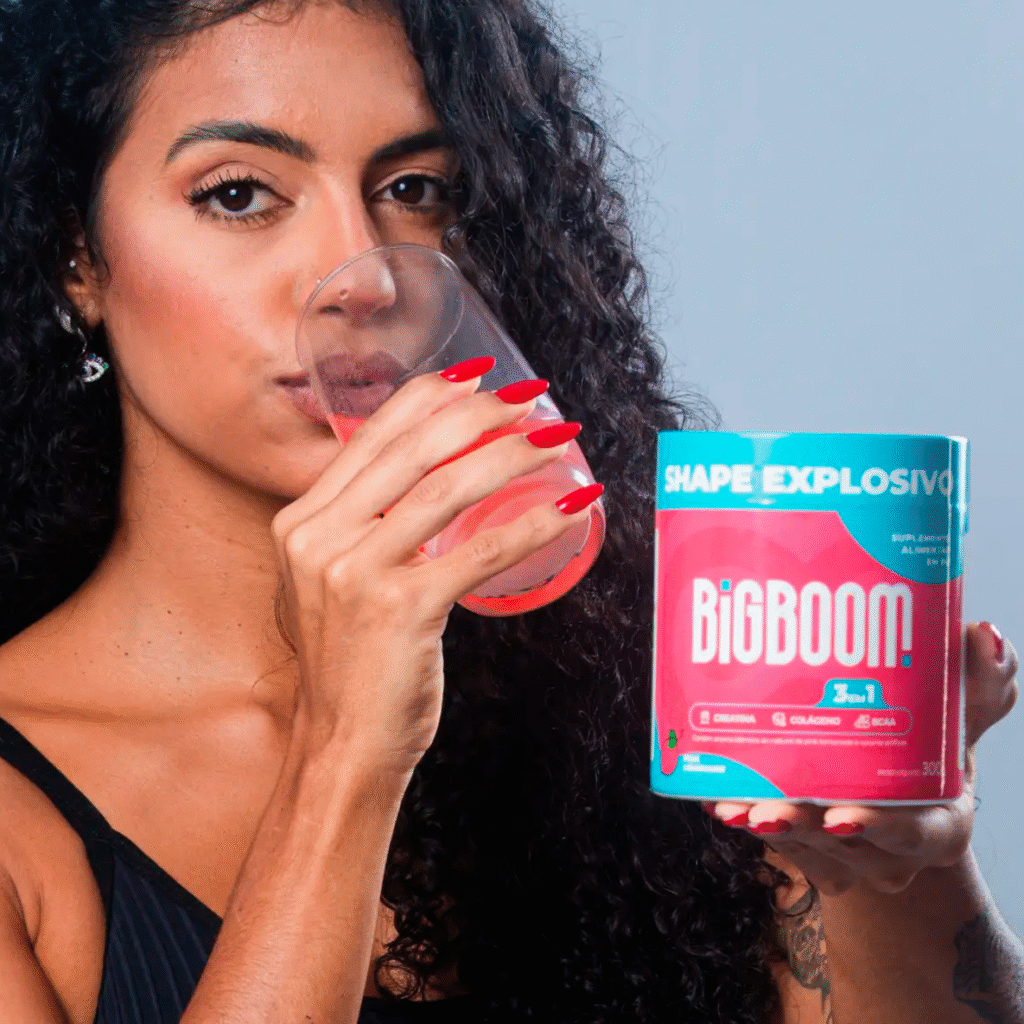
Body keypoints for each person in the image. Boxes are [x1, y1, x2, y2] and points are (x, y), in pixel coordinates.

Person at [0, 1, 1020, 1022]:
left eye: (413, 190)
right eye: (238, 195)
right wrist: (344, 752)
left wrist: (890, 862)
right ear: (75, 258)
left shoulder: (645, 703)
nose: (362, 276)